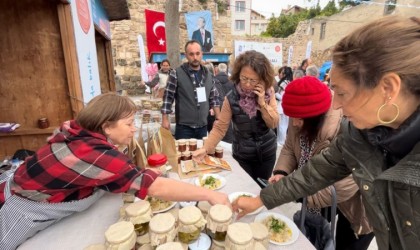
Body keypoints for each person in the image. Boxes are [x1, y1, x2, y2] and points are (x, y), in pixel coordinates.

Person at [232, 16, 420, 250]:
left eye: (341, 93)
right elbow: (314, 172)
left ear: (388, 89)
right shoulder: (357, 134)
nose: (337, 106)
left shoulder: (345, 127)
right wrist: (260, 199)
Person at [0, 93, 229, 250]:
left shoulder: (80, 132)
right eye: (129, 123)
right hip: (17, 210)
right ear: (106, 126)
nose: (134, 129)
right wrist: (209, 194)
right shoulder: (92, 153)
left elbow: (114, 172)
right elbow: (155, 187)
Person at [270, 76, 374, 249]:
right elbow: (289, 148)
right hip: (319, 193)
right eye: (291, 117)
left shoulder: (348, 124)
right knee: (317, 235)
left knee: (346, 244)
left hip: (359, 205)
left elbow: (345, 183)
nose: (294, 123)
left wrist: (298, 193)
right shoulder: (300, 116)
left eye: (300, 119)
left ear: (317, 116)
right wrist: (282, 173)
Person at [193, 50, 279, 186]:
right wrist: (205, 148)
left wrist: (262, 103)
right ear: (238, 74)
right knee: (245, 189)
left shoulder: (268, 92)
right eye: (244, 78)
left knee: (262, 190)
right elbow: (220, 127)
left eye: (253, 80)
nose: (248, 84)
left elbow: (273, 123)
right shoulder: (231, 97)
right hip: (243, 154)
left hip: (266, 152)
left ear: (262, 79)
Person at [161, 40, 220, 140]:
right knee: (183, 155)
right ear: (186, 55)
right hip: (184, 128)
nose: (195, 57)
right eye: (191, 54)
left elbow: (214, 98)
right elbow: (168, 97)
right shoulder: (176, 73)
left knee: (202, 155)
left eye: (197, 53)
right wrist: (165, 119)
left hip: (203, 127)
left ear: (202, 54)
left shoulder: (209, 75)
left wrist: (218, 119)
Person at [208, 63, 234, 143]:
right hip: (228, 108)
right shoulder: (231, 81)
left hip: (215, 110)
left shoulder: (213, 81)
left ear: (217, 70)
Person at [276, 66, 293, 146]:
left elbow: (283, 97)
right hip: (286, 107)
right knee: (284, 125)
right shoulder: (290, 82)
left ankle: (281, 141)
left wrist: (275, 94)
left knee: (282, 125)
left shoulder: (284, 83)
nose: (280, 74)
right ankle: (281, 140)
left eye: (281, 73)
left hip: (282, 107)